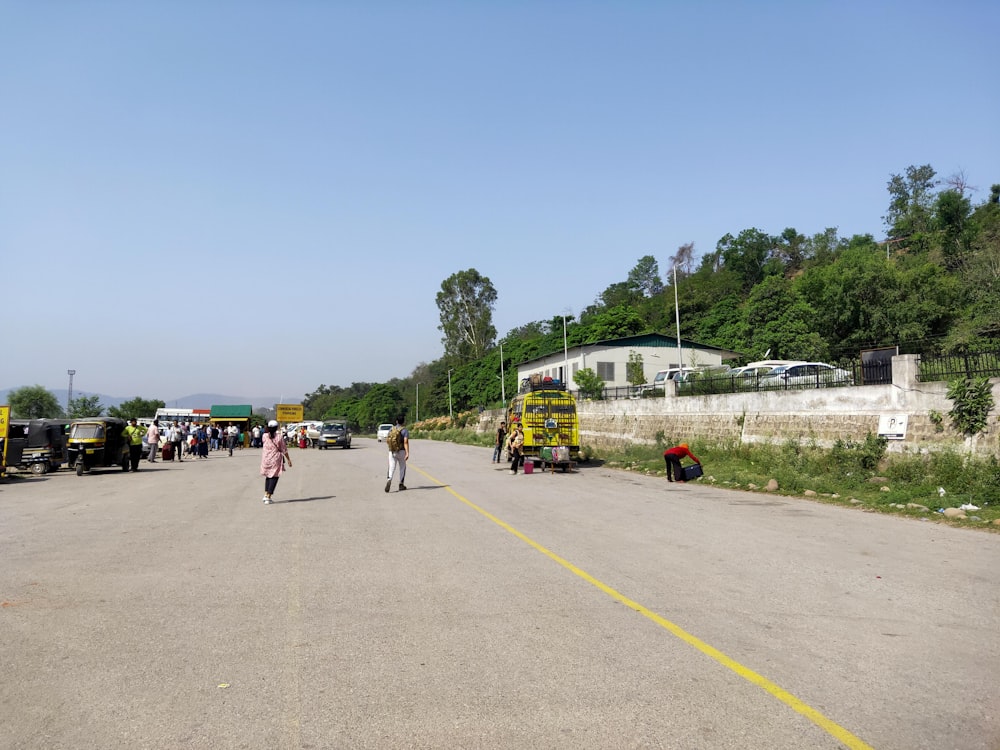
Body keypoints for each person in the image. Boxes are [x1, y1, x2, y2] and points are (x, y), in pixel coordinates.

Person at [260, 419, 291, 504]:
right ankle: (268, 497)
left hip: (266, 459)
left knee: (268, 476)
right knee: (274, 476)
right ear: (276, 427)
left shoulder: (264, 436)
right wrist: (288, 460)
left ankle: (266, 494)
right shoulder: (279, 437)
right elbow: (284, 449)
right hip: (275, 459)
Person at [384, 416, 409, 492]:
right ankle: (401, 484)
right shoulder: (404, 430)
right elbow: (405, 442)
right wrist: (407, 453)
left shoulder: (391, 429)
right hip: (401, 451)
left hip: (392, 451)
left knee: (391, 467)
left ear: (396, 421)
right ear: (403, 422)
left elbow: (388, 440)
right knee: (402, 467)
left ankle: (389, 479)